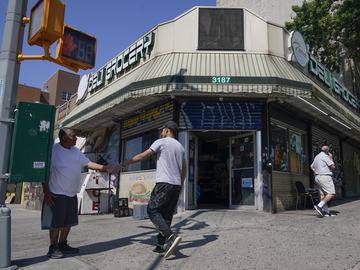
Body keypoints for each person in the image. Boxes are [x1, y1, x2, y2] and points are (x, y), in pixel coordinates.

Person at [42, 128, 113, 259]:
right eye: (73, 136)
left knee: (68, 222)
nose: (76, 139)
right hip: (57, 193)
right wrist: (46, 191)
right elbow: (44, 172)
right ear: (64, 137)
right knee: (56, 223)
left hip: (71, 193)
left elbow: (89, 163)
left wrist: (105, 167)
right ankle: (52, 248)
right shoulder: (54, 150)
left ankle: (63, 244)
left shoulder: (75, 151)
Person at [122, 120, 186, 259]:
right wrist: (181, 185)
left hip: (164, 184)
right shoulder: (180, 147)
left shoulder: (161, 142)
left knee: (152, 210)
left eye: (162, 129)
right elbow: (184, 168)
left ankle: (170, 236)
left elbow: (143, 156)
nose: (161, 132)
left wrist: (126, 163)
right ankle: (161, 245)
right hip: (175, 185)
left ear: (168, 130)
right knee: (166, 215)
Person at [310, 145, 336, 217]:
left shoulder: (317, 157)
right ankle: (319, 206)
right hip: (325, 177)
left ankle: (326, 212)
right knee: (331, 193)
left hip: (318, 177)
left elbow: (311, 166)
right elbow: (333, 167)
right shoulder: (325, 156)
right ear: (327, 151)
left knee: (323, 195)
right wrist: (331, 158)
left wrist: (317, 172)